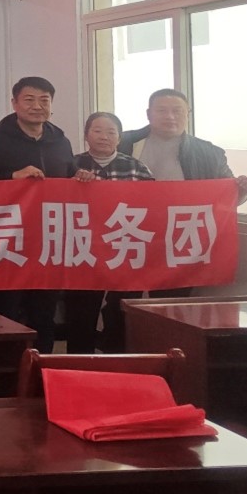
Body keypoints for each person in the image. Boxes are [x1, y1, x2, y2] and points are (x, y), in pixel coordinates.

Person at [120, 88, 247, 297]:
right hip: (130, 230)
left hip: (179, 235)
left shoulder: (208, 152)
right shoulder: (122, 142)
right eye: (162, 110)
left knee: (170, 299)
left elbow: (227, 196)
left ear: (188, 114)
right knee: (122, 297)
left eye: (177, 111)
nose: (170, 116)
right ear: (149, 114)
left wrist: (242, 190)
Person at [0, 77, 78, 354]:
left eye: (44, 100)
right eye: (29, 100)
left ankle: (41, 367)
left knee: (44, 311)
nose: (37, 106)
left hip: (48, 239)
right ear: (14, 103)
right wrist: (12, 177)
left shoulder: (61, 141)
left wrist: (80, 178)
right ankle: (7, 368)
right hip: (7, 240)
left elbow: (68, 177)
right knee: (6, 309)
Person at [67, 111, 154, 353]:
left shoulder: (135, 167)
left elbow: (156, 205)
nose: (104, 137)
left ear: (119, 137)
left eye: (111, 132)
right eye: (97, 131)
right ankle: (78, 362)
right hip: (83, 249)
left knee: (122, 310)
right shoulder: (71, 164)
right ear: (86, 135)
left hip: (124, 247)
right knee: (81, 311)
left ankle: (116, 359)